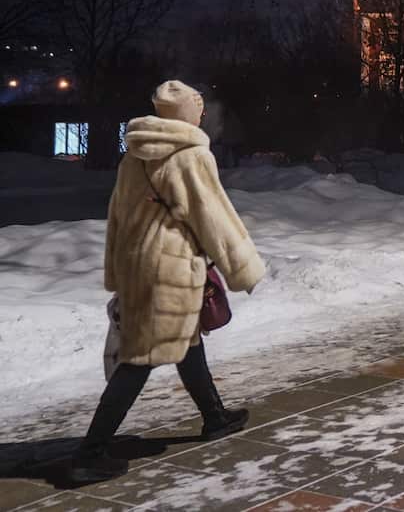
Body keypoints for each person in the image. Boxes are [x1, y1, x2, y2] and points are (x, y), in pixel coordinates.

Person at [67, 80, 266, 485]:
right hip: (170, 270)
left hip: (140, 266)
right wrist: (242, 266)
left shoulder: (134, 156)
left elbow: (117, 219)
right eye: (198, 107)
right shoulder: (189, 155)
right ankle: (89, 453)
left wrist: (117, 271)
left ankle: (215, 416)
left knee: (186, 341)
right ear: (187, 115)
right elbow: (213, 216)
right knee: (139, 360)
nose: (204, 113)